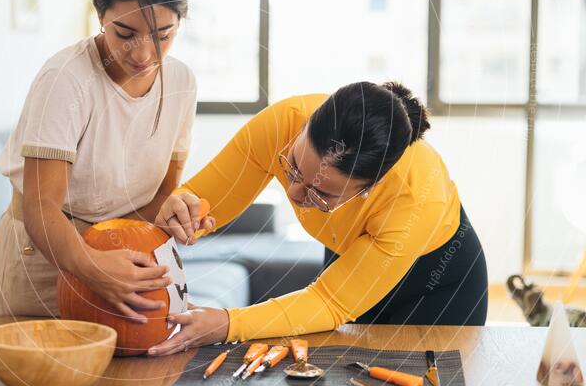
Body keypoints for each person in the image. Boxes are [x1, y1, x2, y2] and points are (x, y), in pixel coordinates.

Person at [147, 82, 488, 355]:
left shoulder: (415, 199)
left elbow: (330, 301)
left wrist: (225, 323)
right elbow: (204, 202)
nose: (294, 194)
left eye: (320, 195)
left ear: (369, 189)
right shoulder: (285, 120)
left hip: (436, 284)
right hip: (351, 257)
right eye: (293, 167)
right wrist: (179, 214)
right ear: (305, 126)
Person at [0, 0, 197, 321]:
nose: (143, 55)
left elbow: (162, 194)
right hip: (44, 255)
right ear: (99, 11)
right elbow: (41, 207)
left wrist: (175, 213)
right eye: (125, 33)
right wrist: (92, 265)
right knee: (43, 377)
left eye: (162, 35)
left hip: (124, 254)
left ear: (180, 21)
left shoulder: (181, 81)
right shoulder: (65, 79)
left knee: (138, 376)